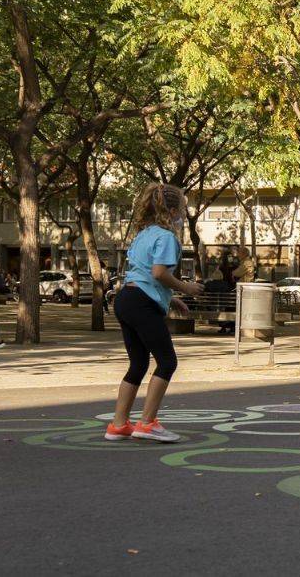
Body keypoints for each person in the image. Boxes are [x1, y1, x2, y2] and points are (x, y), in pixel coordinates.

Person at [106, 184, 205, 443]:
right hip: (141, 303)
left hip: (126, 299)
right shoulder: (167, 238)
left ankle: (118, 425)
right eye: (182, 209)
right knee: (167, 362)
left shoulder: (144, 234)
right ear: (171, 210)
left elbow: (143, 274)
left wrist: (172, 299)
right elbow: (159, 273)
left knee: (138, 364)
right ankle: (147, 423)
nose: (183, 214)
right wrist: (187, 288)